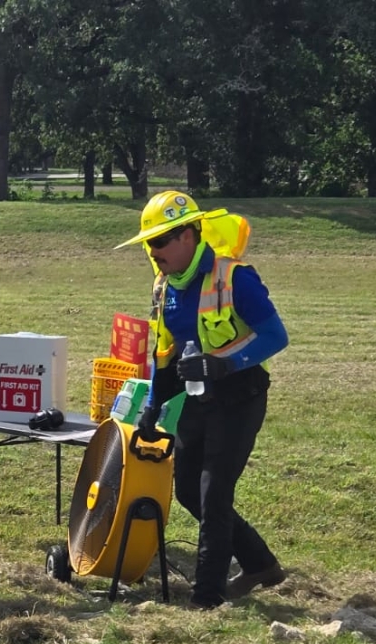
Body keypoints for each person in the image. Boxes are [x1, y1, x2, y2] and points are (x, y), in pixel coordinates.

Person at [116, 191, 289, 609]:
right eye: (147, 243)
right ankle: (261, 564)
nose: (151, 251)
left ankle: (206, 597)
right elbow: (166, 352)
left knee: (214, 495)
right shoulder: (164, 286)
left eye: (159, 242)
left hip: (241, 397)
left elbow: (275, 336)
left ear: (189, 236)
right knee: (189, 492)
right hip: (198, 398)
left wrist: (223, 365)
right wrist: (153, 405)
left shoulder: (235, 278)